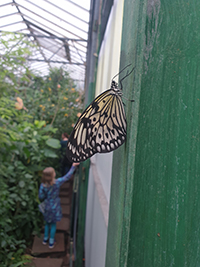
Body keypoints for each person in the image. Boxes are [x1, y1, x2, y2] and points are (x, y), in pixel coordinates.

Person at [38, 163, 79, 248]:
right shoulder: (56, 183)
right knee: (53, 224)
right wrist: (73, 166)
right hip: (55, 206)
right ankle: (51, 243)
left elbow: (40, 196)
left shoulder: (43, 186)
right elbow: (67, 177)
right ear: (53, 175)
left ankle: (45, 240)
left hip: (47, 206)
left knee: (47, 223)